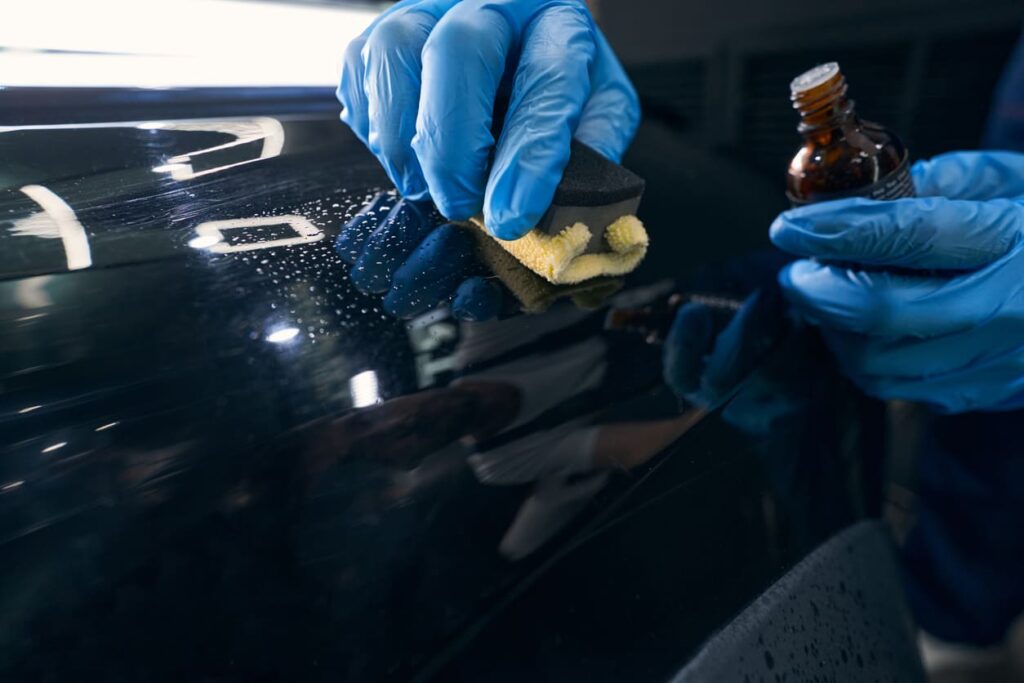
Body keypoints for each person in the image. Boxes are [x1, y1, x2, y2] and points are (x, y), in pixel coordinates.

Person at [336, 0, 1024, 676]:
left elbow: (563, 280)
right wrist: (732, 404)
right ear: (413, 458)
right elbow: (630, 437)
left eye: (376, 421)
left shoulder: (480, 349)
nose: (401, 422)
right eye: (388, 443)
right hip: (724, 350)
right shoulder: (503, 458)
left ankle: (961, 615)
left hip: (718, 321)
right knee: (970, 449)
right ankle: (957, 613)